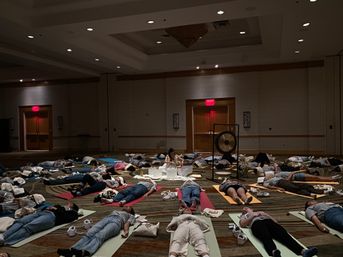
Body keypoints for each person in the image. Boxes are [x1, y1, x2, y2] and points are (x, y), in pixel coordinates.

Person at [57, 206, 135, 257]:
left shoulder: (131, 216)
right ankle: (72, 250)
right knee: (90, 232)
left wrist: (126, 232)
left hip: (117, 222)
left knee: (100, 235)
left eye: (128, 207)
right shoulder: (116, 210)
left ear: (130, 211)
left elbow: (127, 223)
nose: (126, 206)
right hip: (106, 219)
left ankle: (86, 251)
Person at [239, 207, 318, 257]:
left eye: (247, 208)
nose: (245, 209)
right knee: (265, 236)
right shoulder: (244, 216)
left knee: (284, 235)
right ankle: (274, 252)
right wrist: (252, 216)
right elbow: (242, 224)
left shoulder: (260, 212)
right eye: (244, 209)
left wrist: (265, 214)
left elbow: (275, 221)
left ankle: (303, 251)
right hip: (256, 224)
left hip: (268, 221)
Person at [0, 202, 79, 246]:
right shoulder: (59, 206)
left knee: (28, 227)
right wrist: (49, 208)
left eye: (69, 204)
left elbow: (65, 217)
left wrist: (58, 209)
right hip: (43, 212)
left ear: (72, 207)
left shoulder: (73, 213)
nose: (67, 203)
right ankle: (3, 236)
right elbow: (47, 207)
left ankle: (6, 241)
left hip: (52, 218)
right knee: (21, 221)